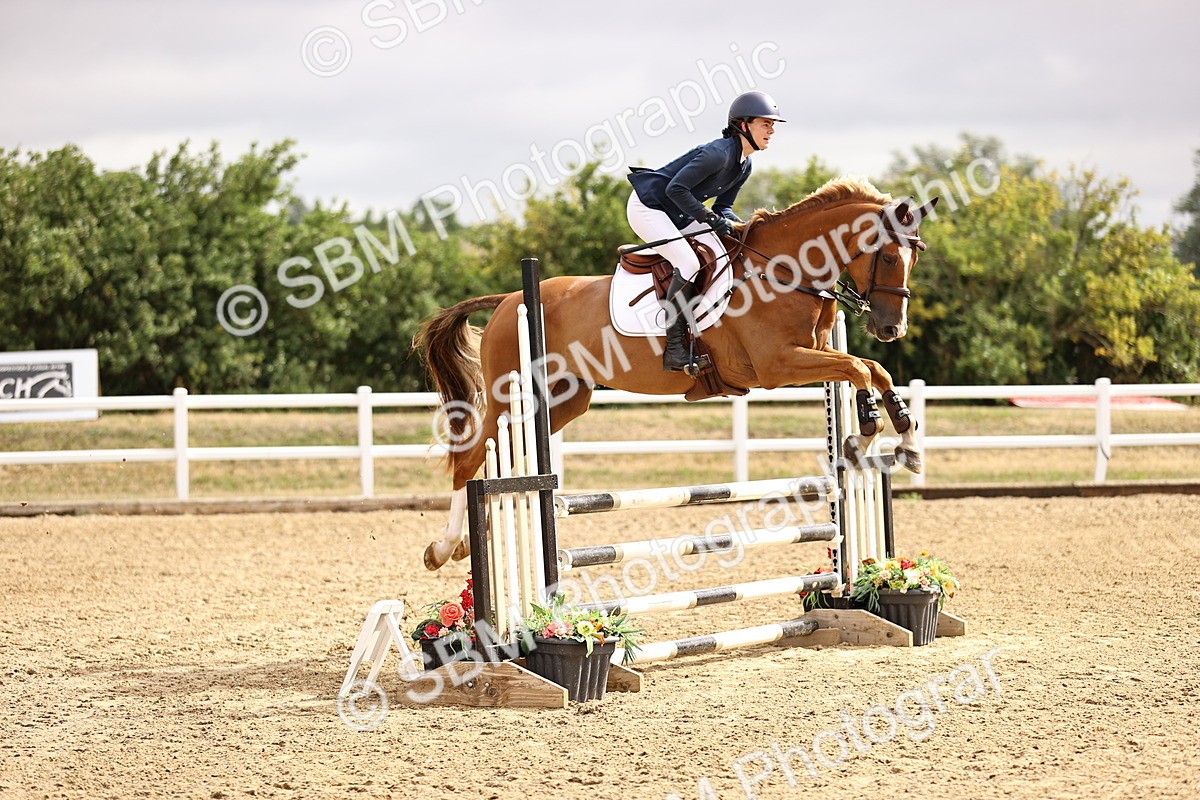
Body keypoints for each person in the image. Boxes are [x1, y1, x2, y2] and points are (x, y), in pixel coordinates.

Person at [626, 91, 785, 371]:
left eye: (772, 125)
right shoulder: (717, 155)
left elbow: (724, 208)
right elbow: (675, 189)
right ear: (743, 125)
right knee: (689, 262)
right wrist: (711, 219)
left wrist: (743, 228)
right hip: (649, 207)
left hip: (679, 210)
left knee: (727, 248)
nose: (771, 131)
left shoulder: (744, 165)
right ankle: (675, 349)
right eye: (765, 124)